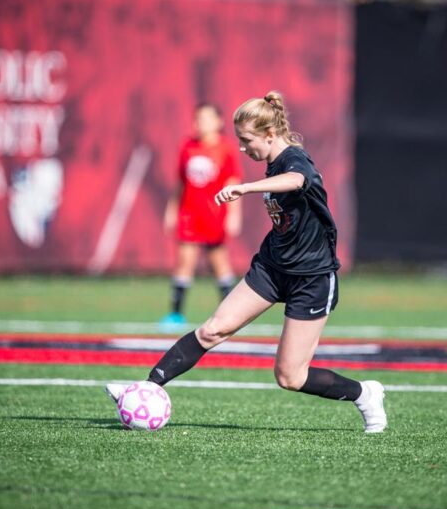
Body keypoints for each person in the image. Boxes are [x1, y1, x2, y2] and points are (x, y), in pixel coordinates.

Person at [109, 91, 387, 433]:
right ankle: (148, 387)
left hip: (311, 278)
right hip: (272, 266)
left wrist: (246, 188)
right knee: (213, 329)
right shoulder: (271, 160)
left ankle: (364, 394)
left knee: (289, 376)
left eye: (247, 140)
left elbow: (298, 181)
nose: (242, 148)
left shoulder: (294, 160)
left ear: (270, 136)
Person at [160, 103, 242, 327]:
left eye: (207, 118)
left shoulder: (226, 148)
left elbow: (233, 182)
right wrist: (172, 209)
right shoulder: (187, 146)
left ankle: (231, 316)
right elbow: (180, 183)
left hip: (215, 214)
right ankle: (176, 314)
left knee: (219, 264)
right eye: (198, 119)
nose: (201, 123)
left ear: (219, 122)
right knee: (184, 262)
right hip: (190, 214)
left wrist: (234, 214)